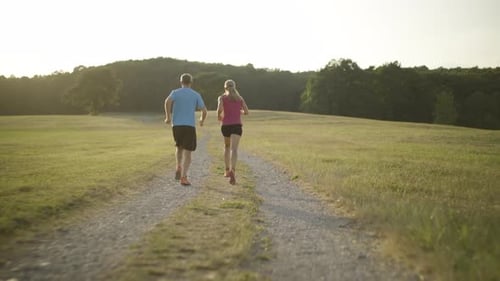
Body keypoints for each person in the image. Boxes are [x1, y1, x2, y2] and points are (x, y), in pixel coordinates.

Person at [165, 73, 207, 186]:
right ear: (191, 82)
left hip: (176, 125)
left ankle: (178, 165)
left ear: (181, 82)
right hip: (189, 126)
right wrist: (201, 120)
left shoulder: (175, 92)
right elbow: (204, 110)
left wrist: (168, 117)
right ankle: (183, 177)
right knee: (188, 153)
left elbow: (167, 101)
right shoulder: (195, 94)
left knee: (179, 147)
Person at [216, 79, 249, 185]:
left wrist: (219, 117)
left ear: (225, 87)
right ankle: (233, 170)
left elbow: (219, 109)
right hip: (237, 126)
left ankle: (226, 170)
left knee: (226, 147)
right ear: (234, 87)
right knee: (234, 149)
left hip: (226, 125)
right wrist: (239, 111)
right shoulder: (240, 98)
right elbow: (246, 112)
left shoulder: (222, 98)